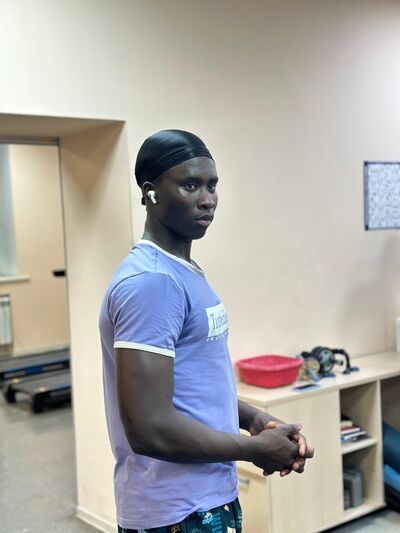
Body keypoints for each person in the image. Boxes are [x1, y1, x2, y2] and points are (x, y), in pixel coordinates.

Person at [99, 130, 314, 533]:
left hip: (206, 498)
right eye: (190, 185)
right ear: (150, 192)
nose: (207, 199)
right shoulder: (152, 282)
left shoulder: (180, 272)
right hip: (177, 513)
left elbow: (194, 388)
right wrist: (253, 450)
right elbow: (148, 428)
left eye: (212, 185)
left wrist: (252, 419)